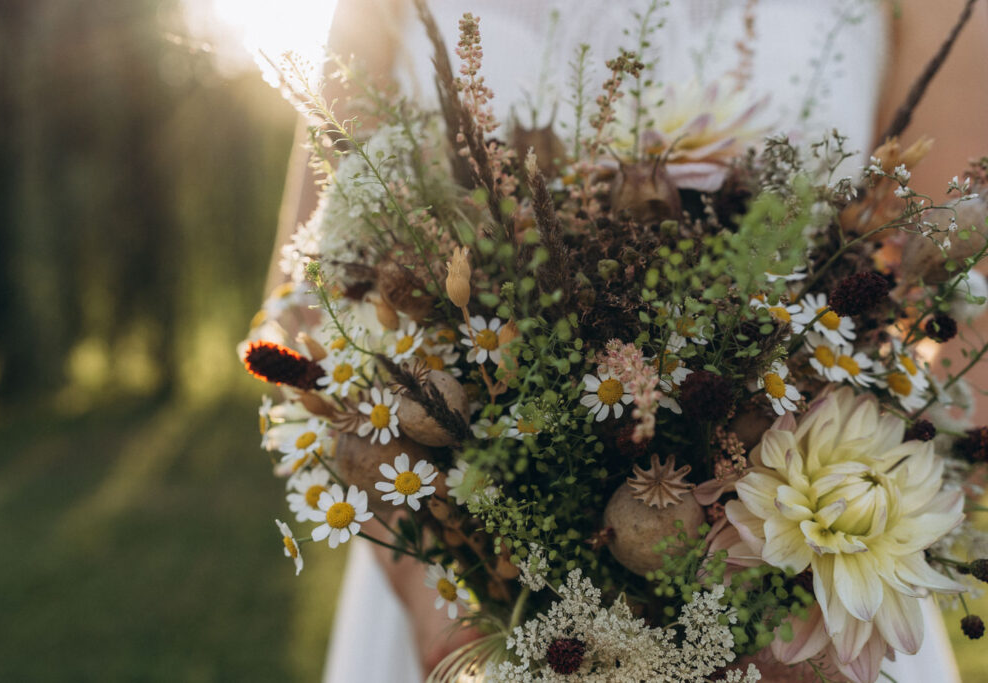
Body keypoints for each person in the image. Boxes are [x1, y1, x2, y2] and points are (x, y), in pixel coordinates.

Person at [265, 1, 988, 680]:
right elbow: (309, 309)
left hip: (817, 601)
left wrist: (783, 629)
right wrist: (451, 609)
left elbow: (964, 314)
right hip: (457, 590)